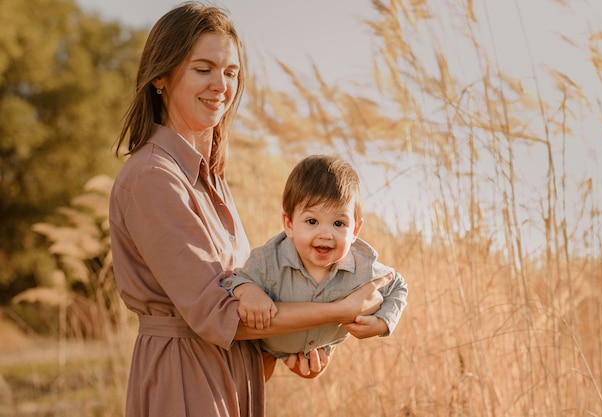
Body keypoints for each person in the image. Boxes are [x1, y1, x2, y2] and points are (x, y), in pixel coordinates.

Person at [108, 3, 388, 417]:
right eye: (203, 69)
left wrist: (295, 345)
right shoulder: (153, 177)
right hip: (183, 378)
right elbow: (218, 314)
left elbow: (249, 302)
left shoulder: (211, 178)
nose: (221, 85)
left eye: (231, 72)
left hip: (234, 375)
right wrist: (338, 311)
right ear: (161, 77)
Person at [222, 154, 409, 379]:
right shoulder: (269, 261)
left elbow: (397, 285)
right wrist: (248, 290)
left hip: (314, 351)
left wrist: (383, 322)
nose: (326, 234)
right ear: (289, 224)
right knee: (247, 382)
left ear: (355, 232)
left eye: (339, 223)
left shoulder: (363, 269)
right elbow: (231, 280)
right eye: (312, 221)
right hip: (263, 348)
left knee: (309, 369)